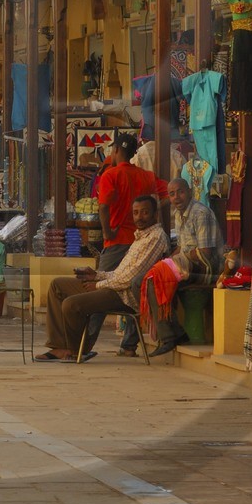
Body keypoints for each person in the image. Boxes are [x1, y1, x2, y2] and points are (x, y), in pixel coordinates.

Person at [35, 196, 170, 361]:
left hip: (125, 296)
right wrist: (96, 275)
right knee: (57, 285)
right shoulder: (141, 236)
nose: (139, 217)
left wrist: (98, 285)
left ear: (155, 215)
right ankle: (59, 346)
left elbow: (129, 279)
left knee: (71, 305)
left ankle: (76, 349)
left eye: (145, 212)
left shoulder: (156, 237)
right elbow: (120, 273)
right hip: (113, 286)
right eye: (135, 213)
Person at [90, 135, 162, 351]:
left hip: (116, 242)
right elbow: (165, 194)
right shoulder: (145, 176)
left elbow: (103, 206)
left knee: (100, 293)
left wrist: (108, 231)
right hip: (140, 242)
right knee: (134, 292)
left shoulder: (110, 175)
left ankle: (85, 342)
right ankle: (130, 344)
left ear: (115, 151)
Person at [142, 178, 225, 357]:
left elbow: (205, 252)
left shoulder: (200, 213)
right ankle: (174, 332)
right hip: (189, 264)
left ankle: (169, 336)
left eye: (180, 192)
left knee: (156, 278)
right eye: (171, 194)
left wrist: (174, 262)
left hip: (206, 267)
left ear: (190, 192)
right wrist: (169, 261)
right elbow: (181, 246)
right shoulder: (179, 214)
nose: (176, 197)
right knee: (150, 276)